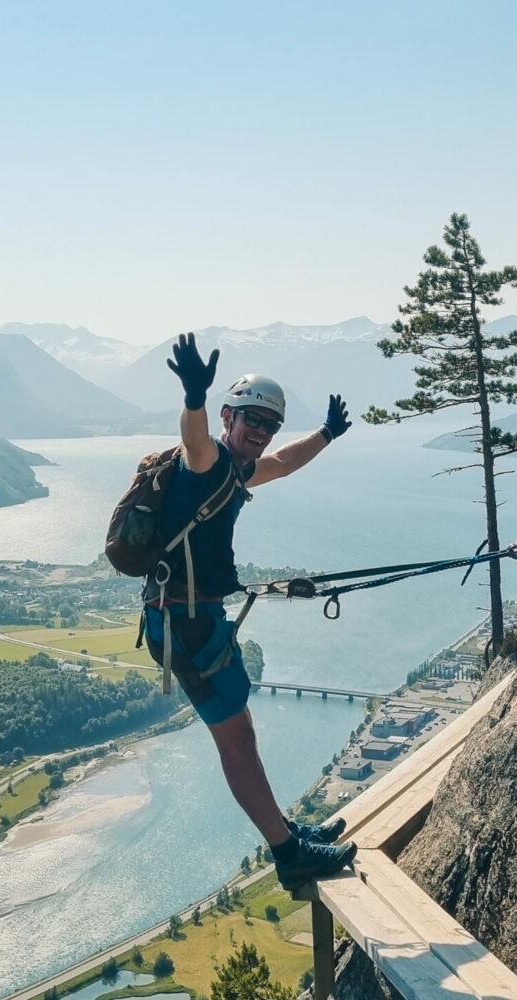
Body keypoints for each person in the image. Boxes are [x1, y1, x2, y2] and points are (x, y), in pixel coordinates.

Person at [144, 331, 356, 891]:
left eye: (269, 425)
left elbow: (283, 464)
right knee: (235, 741)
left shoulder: (235, 472)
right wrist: (192, 397)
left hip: (196, 622)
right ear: (227, 417)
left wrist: (327, 435)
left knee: (243, 737)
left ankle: (285, 829)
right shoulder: (207, 463)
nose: (261, 433)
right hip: (188, 626)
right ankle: (289, 854)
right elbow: (193, 442)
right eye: (252, 421)